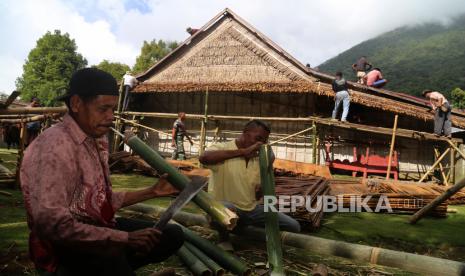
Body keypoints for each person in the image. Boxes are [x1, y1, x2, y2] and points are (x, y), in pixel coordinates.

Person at [20, 68, 183, 276]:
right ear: (77, 104)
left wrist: (152, 191)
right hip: (61, 248)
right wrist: (125, 239)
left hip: (97, 228)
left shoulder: (96, 138)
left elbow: (97, 201)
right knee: (113, 257)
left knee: (170, 235)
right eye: (103, 109)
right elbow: (54, 227)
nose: (110, 117)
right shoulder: (54, 148)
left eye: (113, 109)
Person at [199, 120, 301, 236]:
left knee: (293, 226)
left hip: (251, 211)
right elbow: (203, 158)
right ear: (245, 133)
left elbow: (259, 193)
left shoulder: (258, 158)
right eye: (258, 139)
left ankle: (241, 227)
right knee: (224, 209)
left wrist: (263, 188)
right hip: (227, 209)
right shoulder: (224, 147)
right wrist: (243, 152)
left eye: (264, 141)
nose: (261, 144)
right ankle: (224, 238)